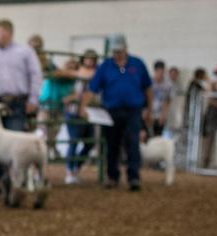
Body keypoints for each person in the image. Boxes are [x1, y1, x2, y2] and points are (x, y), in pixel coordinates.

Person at [81, 34, 151, 191]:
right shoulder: (105, 66)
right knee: (112, 144)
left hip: (133, 110)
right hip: (111, 111)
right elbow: (93, 88)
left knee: (132, 143)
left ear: (126, 48)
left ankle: (134, 177)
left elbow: (147, 87)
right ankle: (112, 176)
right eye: (114, 51)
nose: (116, 54)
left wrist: (149, 109)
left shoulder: (138, 64)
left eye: (119, 50)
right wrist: (84, 107)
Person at [0, 19, 42, 132]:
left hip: (17, 103)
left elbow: (35, 75)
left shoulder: (25, 52)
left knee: (13, 138)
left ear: (9, 33)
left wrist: (33, 99)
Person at [63, 49, 99, 184]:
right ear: (83, 59)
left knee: (89, 143)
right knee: (74, 140)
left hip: (91, 114)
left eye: (92, 59)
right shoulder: (76, 73)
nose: (89, 61)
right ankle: (69, 170)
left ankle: (76, 168)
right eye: (87, 58)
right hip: (74, 112)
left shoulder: (97, 74)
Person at [149, 60, 173, 138]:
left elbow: (168, 100)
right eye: (159, 72)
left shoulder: (167, 84)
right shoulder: (149, 83)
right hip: (150, 113)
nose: (161, 74)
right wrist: (150, 113)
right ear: (155, 71)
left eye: (162, 72)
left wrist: (164, 114)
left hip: (161, 115)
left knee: (159, 136)